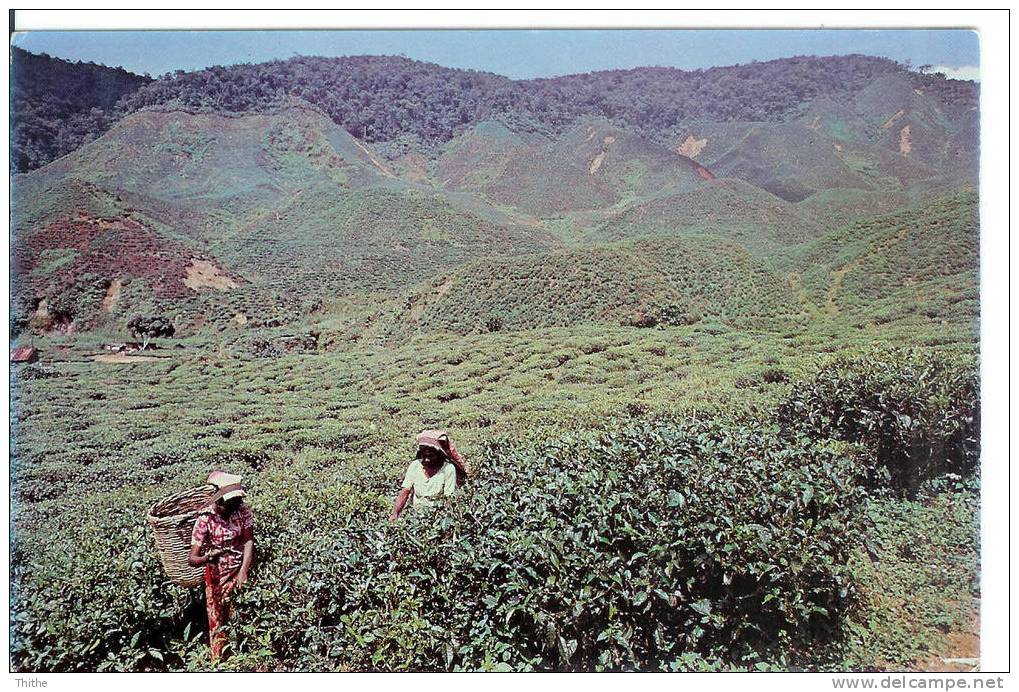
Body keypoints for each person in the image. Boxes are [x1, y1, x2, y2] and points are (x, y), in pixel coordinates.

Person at [188, 471, 255, 662]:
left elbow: (248, 541)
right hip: (217, 577)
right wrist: (208, 557)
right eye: (229, 502)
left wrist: (243, 571)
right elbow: (192, 559)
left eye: (235, 502)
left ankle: (241, 657)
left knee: (238, 617)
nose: (233, 506)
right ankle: (218, 662)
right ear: (218, 500)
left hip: (238, 572)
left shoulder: (242, 510)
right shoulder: (206, 518)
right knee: (217, 620)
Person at [390, 429, 470, 521]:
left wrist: (446, 519)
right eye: (424, 456)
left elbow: (449, 499)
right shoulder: (415, 465)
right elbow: (405, 492)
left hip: (437, 517)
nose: (427, 460)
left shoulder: (448, 469)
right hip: (416, 516)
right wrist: (395, 514)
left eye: (431, 456)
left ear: (439, 455)